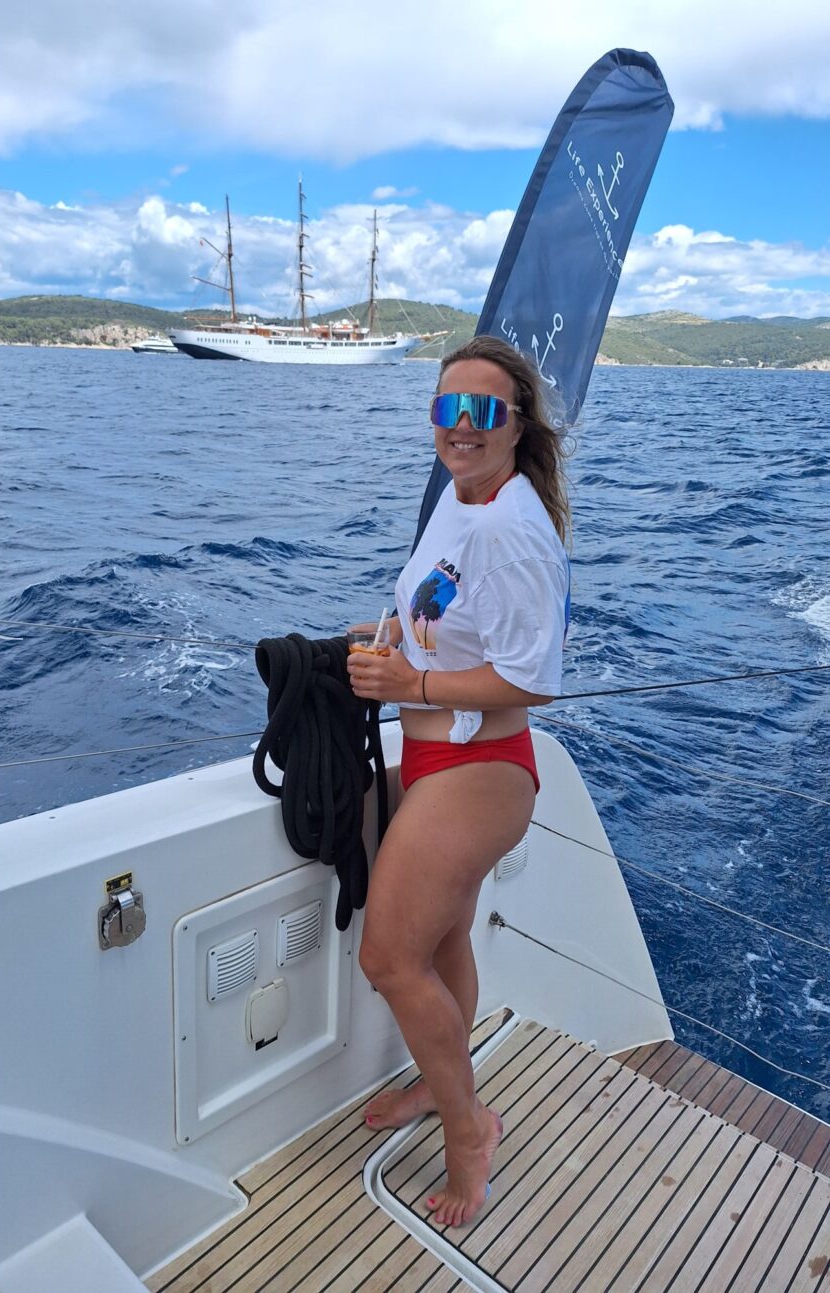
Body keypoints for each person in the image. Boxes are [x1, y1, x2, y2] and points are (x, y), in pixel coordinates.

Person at [347, 334, 570, 1228]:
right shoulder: (460, 495)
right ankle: (445, 1086)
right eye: (448, 408)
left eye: (483, 411)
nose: (462, 426)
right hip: (438, 755)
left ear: (518, 425)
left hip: (480, 769)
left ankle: (469, 1129)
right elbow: (441, 613)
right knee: (440, 946)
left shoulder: (514, 531)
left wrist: (414, 684)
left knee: (388, 958)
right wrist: (387, 642)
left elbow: (532, 677)